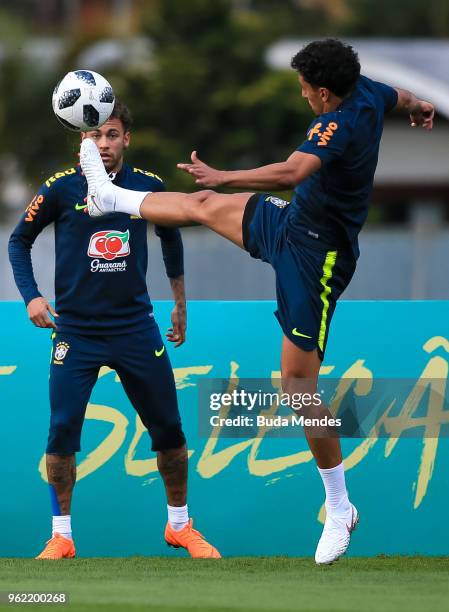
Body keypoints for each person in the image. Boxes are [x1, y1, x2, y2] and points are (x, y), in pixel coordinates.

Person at [79, 39, 434, 564]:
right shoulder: (372, 92)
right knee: (202, 205)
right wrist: (422, 105)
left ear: (325, 92)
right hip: (289, 223)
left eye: (305, 90)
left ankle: (340, 506)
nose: (303, 96)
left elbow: (292, 173)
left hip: (317, 260)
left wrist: (226, 175)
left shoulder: (335, 123)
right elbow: (401, 96)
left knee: (296, 386)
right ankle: (112, 198)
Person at [8, 101, 220, 560]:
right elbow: (18, 240)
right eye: (95, 135)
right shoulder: (61, 189)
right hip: (76, 332)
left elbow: (170, 237)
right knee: (62, 432)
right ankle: (61, 536)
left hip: (135, 329)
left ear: (127, 139)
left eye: (112, 135)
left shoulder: (147, 187)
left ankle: (180, 527)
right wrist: (32, 296)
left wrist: (180, 302)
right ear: (81, 140)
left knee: (169, 430)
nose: (103, 143)